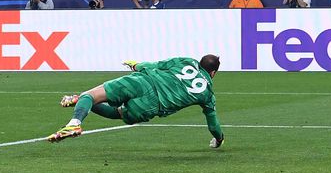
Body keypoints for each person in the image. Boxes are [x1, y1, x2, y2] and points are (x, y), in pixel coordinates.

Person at [48, 55, 226, 148]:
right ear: (213, 74)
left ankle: (75, 121)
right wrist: (219, 139)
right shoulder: (207, 94)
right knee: (117, 114)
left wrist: (137, 66)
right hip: (152, 106)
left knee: (91, 95)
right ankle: (81, 104)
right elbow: (213, 124)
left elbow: (156, 65)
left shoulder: (187, 61)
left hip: (144, 81)